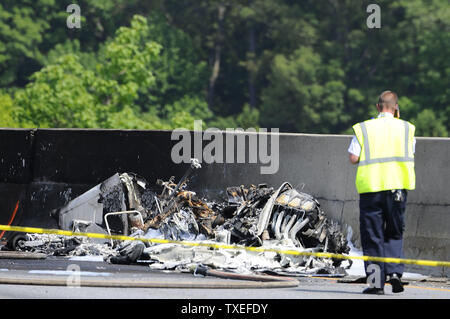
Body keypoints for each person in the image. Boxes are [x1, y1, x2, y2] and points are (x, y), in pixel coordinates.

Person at [348, 91, 416, 295]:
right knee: (394, 232)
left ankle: (377, 283)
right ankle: (395, 274)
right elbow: (410, 153)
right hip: (397, 188)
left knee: (373, 236)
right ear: (396, 108)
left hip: (372, 188)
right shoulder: (406, 128)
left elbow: (353, 157)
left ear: (378, 107)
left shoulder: (364, 128)